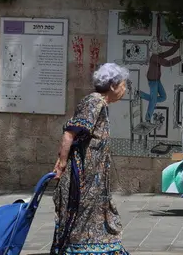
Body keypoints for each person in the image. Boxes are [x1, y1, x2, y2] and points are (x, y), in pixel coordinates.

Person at [51, 63, 130, 255]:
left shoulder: (101, 104)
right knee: (83, 214)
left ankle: (98, 248)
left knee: (97, 214)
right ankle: (82, 249)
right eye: (123, 85)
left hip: (94, 178)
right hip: (84, 177)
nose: (125, 89)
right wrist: (61, 165)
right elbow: (70, 134)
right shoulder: (93, 102)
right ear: (112, 85)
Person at [140, 37, 181, 122]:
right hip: (152, 81)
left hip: (156, 80)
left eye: (157, 45)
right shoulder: (155, 57)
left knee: (163, 97)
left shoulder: (158, 55)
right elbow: (167, 63)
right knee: (153, 100)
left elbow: (169, 52)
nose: (157, 46)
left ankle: (141, 94)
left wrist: (178, 44)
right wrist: (180, 58)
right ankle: (147, 119)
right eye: (155, 45)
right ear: (151, 48)